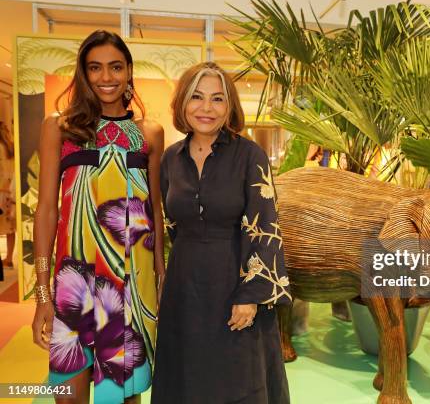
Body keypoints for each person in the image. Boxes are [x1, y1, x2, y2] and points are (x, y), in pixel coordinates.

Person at [31, 30, 165, 404]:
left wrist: (161, 278)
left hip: (132, 286)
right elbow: (46, 210)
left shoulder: (148, 134)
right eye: (95, 68)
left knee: (121, 398)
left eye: (115, 67)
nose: (106, 77)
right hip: (73, 284)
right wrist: (43, 294)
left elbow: (155, 210)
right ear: (83, 73)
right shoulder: (60, 127)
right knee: (67, 397)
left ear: (129, 72)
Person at [152, 62, 291, 403]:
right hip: (184, 288)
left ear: (229, 106)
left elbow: (266, 226)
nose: (206, 108)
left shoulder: (250, 155)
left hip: (234, 284)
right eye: (197, 97)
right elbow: (171, 224)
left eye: (217, 99)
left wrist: (251, 296)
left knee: (236, 379)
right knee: (186, 376)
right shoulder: (171, 159)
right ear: (183, 103)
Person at [0, 120, 16, 271]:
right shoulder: (10, 146)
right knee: (10, 227)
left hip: (1, 191)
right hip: (9, 191)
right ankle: (9, 258)